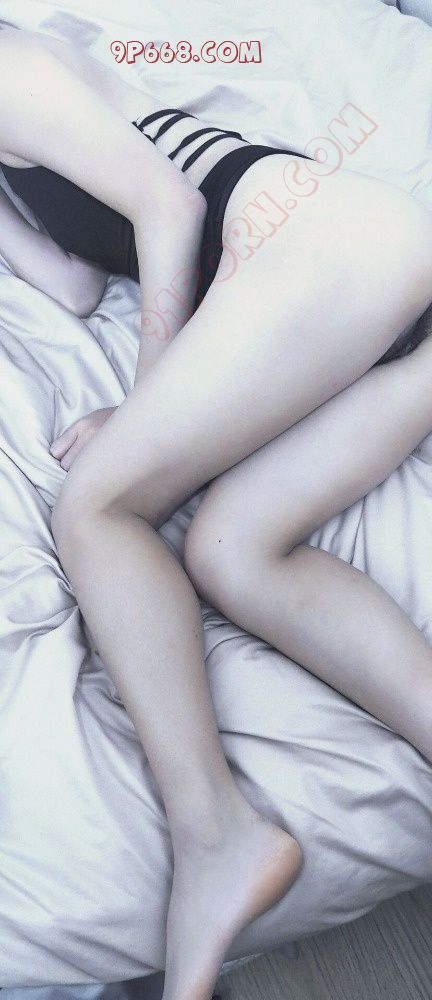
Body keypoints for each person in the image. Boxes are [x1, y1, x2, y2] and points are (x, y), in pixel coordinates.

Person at [1, 26, 432, 1000]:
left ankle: (216, 831)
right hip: (360, 309)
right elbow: (72, 285)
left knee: (98, 511)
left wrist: (144, 404)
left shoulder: (6, 63)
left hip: (330, 249)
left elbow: (172, 205)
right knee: (234, 553)